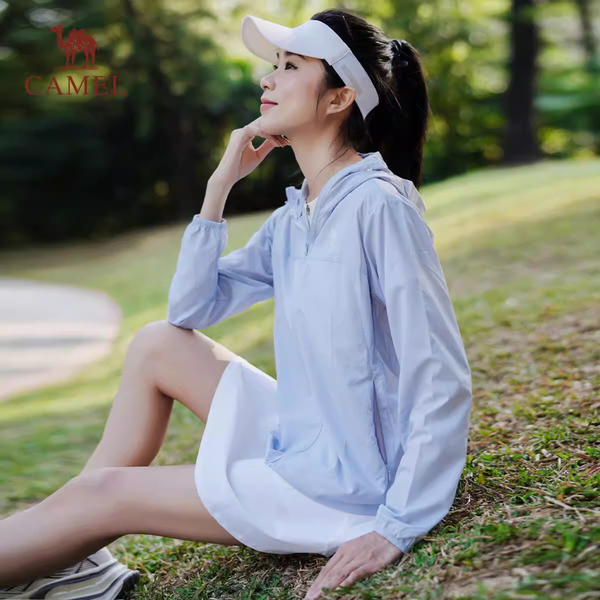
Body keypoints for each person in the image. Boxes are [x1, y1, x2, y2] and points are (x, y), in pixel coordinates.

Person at [0, 7, 472, 600]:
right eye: (275, 65)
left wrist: (396, 524)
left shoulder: (378, 206)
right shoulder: (295, 216)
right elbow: (189, 311)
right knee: (156, 343)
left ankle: (72, 542)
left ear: (339, 98)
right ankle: (74, 555)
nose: (267, 79)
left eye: (291, 66)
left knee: (101, 494)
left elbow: (439, 373)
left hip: (346, 484)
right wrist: (218, 189)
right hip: (305, 436)